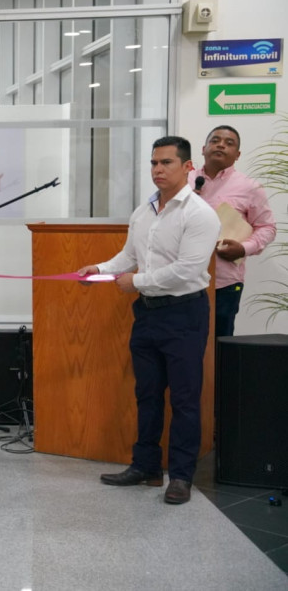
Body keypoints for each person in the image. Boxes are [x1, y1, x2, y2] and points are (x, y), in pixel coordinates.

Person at [78, 136, 221, 505]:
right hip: (148, 314)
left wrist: (135, 282)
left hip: (184, 313)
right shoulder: (143, 212)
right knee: (147, 394)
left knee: (186, 399)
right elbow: (128, 256)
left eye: (167, 163)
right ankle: (146, 466)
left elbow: (187, 270)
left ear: (188, 167)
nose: (158, 170)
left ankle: (182, 476)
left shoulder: (200, 214)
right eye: (154, 163)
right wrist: (99, 269)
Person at [189, 125, 275, 337]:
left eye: (229, 143)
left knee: (220, 343)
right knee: (183, 343)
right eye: (215, 140)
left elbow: (267, 227)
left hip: (224, 281)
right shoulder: (184, 181)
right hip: (183, 278)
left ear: (237, 155)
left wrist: (244, 249)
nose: (221, 145)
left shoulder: (250, 187)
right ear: (203, 148)